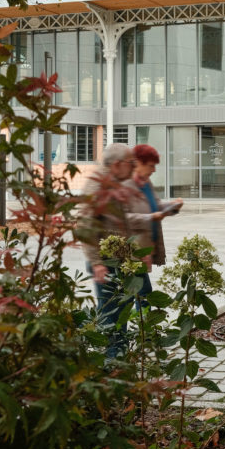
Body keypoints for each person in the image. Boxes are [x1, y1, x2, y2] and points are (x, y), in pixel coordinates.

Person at [78, 143, 169, 357]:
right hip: (106, 264)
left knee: (133, 304)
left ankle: (130, 356)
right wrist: (97, 262)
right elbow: (84, 226)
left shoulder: (120, 183)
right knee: (112, 316)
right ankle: (113, 365)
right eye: (131, 163)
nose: (134, 166)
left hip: (125, 260)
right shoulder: (97, 186)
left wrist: (141, 251)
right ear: (117, 164)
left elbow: (126, 223)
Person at [124, 143, 183, 282]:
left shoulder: (146, 183)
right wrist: (149, 218)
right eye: (151, 166)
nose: (154, 170)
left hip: (145, 248)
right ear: (138, 163)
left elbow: (156, 206)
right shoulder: (125, 185)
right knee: (141, 293)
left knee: (140, 294)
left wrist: (173, 206)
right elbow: (122, 217)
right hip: (132, 252)